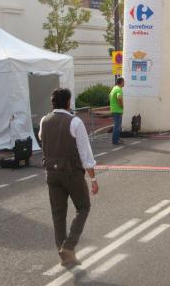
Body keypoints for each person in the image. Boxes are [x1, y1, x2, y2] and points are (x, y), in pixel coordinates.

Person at [39, 88, 99, 267]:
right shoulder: (75, 122)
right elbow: (85, 154)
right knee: (83, 207)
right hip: (71, 173)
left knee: (58, 214)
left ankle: (64, 254)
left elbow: (43, 139)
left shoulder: (44, 120)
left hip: (51, 173)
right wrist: (93, 179)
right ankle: (69, 245)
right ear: (68, 102)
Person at [109, 77, 124, 145]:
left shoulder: (114, 88)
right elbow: (119, 97)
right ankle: (115, 140)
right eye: (124, 82)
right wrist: (122, 106)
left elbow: (109, 96)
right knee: (117, 126)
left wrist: (112, 104)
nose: (124, 83)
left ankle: (117, 138)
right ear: (121, 82)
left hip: (113, 109)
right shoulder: (119, 89)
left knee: (117, 125)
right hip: (117, 110)